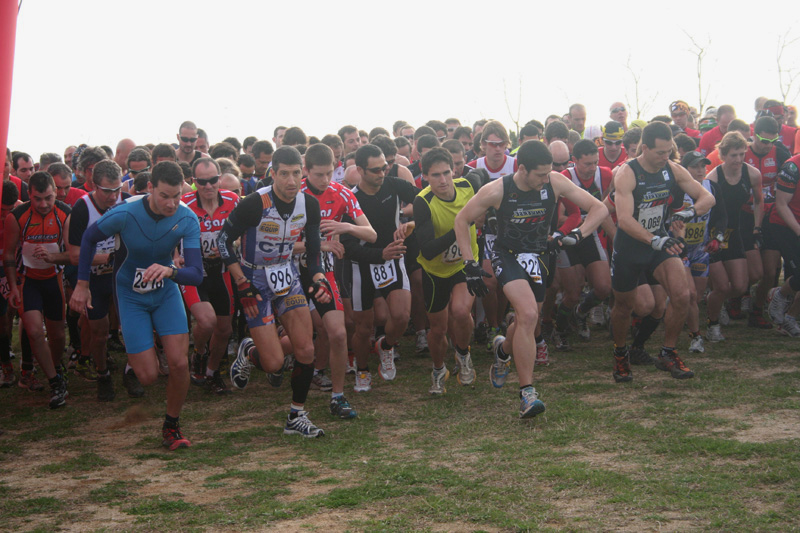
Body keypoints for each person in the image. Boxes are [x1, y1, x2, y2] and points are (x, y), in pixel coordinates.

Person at [454, 140, 608, 418]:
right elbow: (461, 220)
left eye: (548, 173)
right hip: (506, 255)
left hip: (538, 256)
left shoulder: (555, 182)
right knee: (526, 313)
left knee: (528, 319)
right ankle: (527, 393)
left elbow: (599, 209)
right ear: (522, 169)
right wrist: (469, 263)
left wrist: (578, 234)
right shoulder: (498, 189)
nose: (544, 180)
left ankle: (502, 349)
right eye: (539, 175)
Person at [70, 161, 203, 449]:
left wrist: (170, 271)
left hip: (166, 292)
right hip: (130, 296)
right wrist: (82, 285)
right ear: (150, 188)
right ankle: (136, 362)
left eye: (177, 196)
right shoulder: (126, 213)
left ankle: (172, 426)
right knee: (148, 375)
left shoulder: (187, 218)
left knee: (180, 364)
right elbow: (89, 238)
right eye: (165, 195)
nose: (171, 203)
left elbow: (196, 273)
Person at [220, 146, 333, 438]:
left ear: (303, 172)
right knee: (273, 364)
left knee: (306, 348)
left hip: (287, 275)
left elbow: (313, 247)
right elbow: (223, 242)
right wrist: (241, 283)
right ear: (273, 174)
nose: (291, 181)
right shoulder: (254, 203)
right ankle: (250, 351)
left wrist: (319, 276)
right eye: (284, 174)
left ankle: (297, 415)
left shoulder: (308, 205)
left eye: (297, 173)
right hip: (253, 280)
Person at [609, 122, 715, 383]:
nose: (665, 157)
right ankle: (621, 353)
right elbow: (624, 219)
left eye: (669, 151)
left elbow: (707, 198)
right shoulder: (627, 173)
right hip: (631, 245)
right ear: (644, 148)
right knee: (624, 306)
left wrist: (688, 212)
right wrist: (654, 240)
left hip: (660, 243)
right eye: (660, 152)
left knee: (682, 295)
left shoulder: (672, 169)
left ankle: (668, 352)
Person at [299, 143, 376, 417]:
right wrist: (318, 245)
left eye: (330, 173)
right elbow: (272, 245)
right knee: (300, 339)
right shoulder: (292, 193)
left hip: (326, 272)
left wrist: (346, 227)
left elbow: (371, 234)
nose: (325, 180)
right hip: (292, 271)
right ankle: (253, 354)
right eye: (319, 174)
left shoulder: (341, 192)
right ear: (305, 170)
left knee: (339, 332)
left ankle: (338, 397)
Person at [341, 144, 418, 392]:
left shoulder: (394, 184)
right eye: (375, 170)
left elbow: (426, 202)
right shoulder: (350, 200)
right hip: (362, 266)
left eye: (384, 167)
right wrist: (378, 254)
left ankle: (386, 346)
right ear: (360, 170)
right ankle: (362, 370)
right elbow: (348, 248)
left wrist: (409, 224)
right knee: (363, 327)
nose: (382, 173)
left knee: (402, 316)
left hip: (393, 257)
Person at [413, 147, 482, 394]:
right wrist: (460, 226)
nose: (443, 180)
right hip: (435, 271)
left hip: (465, 261)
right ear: (425, 178)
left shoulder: (468, 186)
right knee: (438, 329)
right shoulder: (422, 202)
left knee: (461, 312)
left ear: (454, 171)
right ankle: (439, 367)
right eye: (435, 175)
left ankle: (463, 354)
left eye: (446, 173)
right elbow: (429, 250)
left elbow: (486, 185)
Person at [4, 172, 72, 408]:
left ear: (56, 192)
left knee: (58, 336)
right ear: (29, 196)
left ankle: (55, 368)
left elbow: (73, 254)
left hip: (53, 279)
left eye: (48, 198)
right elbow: (9, 254)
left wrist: (54, 257)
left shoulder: (65, 213)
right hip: (27, 281)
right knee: (34, 331)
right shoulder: (17, 216)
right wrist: (13, 287)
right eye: (37, 199)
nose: (43, 204)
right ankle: (55, 382)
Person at [66, 159, 129, 401]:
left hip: (120, 277)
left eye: (117, 189)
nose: (113, 197)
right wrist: (111, 257)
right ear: (93, 185)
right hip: (95, 279)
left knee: (133, 326)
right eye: (107, 191)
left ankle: (131, 371)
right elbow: (74, 254)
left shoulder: (126, 201)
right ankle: (102, 374)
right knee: (99, 332)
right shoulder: (83, 207)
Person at [181, 157, 240, 395]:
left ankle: (211, 372)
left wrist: (230, 244)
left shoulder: (233, 201)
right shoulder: (183, 204)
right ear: (194, 182)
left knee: (225, 329)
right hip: (195, 273)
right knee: (207, 321)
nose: (208, 186)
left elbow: (244, 233)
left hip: (223, 272)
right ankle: (199, 353)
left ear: (219, 178)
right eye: (202, 182)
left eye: (213, 180)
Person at [704, 132, 763, 342]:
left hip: (735, 231)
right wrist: (710, 239)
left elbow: (758, 200)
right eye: (733, 155)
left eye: (741, 154)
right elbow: (707, 212)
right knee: (722, 286)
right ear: (722, 155)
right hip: (714, 235)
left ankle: (715, 302)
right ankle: (713, 324)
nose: (738, 160)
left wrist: (757, 226)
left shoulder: (753, 174)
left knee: (739, 286)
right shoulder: (713, 179)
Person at [767, 154, 800, 335]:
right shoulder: (792, 167)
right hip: (784, 224)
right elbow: (781, 204)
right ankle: (780, 294)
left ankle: (790, 317)